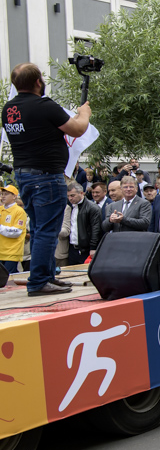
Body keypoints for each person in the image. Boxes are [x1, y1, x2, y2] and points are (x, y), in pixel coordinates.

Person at [2, 63, 92, 295]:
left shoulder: (9, 108)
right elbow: (77, 129)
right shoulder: (44, 105)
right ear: (38, 82)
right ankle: (40, 281)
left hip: (24, 176)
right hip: (45, 177)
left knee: (42, 227)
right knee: (46, 230)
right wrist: (84, 113)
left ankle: (48, 275)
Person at [58, 183, 102, 266]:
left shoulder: (92, 208)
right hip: (71, 248)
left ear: (81, 193)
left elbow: (96, 229)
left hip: (86, 249)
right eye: (68, 196)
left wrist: (93, 247)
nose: (70, 198)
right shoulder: (69, 206)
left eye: (72, 195)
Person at [0, 185, 29, 273]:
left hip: (12, 253)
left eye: (6, 194)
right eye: (2, 194)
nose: (3, 196)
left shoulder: (19, 211)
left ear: (14, 196)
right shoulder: (1, 209)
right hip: (1, 251)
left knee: (8, 278)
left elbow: (16, 232)